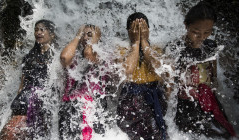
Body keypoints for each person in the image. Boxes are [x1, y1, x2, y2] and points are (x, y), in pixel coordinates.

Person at [164, 2, 236, 138]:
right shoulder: (175, 48)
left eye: (207, 32)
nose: (202, 37)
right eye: (196, 32)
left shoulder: (210, 46)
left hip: (207, 101)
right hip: (185, 102)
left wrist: (213, 100)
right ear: (186, 25)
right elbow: (169, 84)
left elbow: (212, 76)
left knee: (224, 134)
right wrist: (168, 112)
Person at [0, 19, 57, 139]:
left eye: (42, 29)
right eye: (36, 30)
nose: (38, 32)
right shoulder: (28, 57)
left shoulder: (56, 57)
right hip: (23, 102)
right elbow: (22, 85)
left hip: (40, 103)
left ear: (52, 34)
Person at [116, 12, 168, 140]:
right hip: (132, 97)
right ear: (129, 31)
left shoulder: (157, 49)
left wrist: (144, 42)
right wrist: (135, 43)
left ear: (148, 30)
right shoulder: (121, 49)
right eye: (135, 29)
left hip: (155, 95)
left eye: (143, 28)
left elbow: (160, 69)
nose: (139, 31)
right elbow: (127, 71)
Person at [59, 24, 111, 140]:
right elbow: (64, 57)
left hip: (89, 106)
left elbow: (88, 54)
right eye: (83, 34)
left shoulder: (102, 56)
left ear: (97, 37)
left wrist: (94, 41)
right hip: (68, 105)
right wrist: (77, 36)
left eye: (89, 34)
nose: (85, 38)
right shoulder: (74, 55)